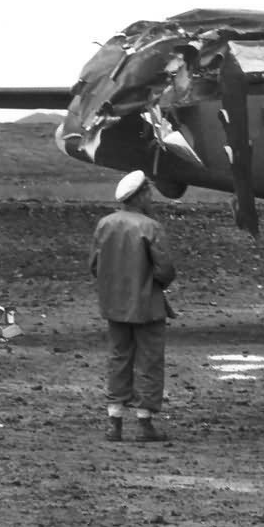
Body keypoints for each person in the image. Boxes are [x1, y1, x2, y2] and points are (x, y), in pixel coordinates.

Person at [90, 170, 177, 442]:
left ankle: (114, 421)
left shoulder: (104, 224)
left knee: (118, 358)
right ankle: (144, 423)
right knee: (149, 361)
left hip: (114, 304)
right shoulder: (151, 227)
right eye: (148, 192)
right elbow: (165, 270)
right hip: (147, 305)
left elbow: (94, 265)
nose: (151, 197)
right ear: (140, 196)